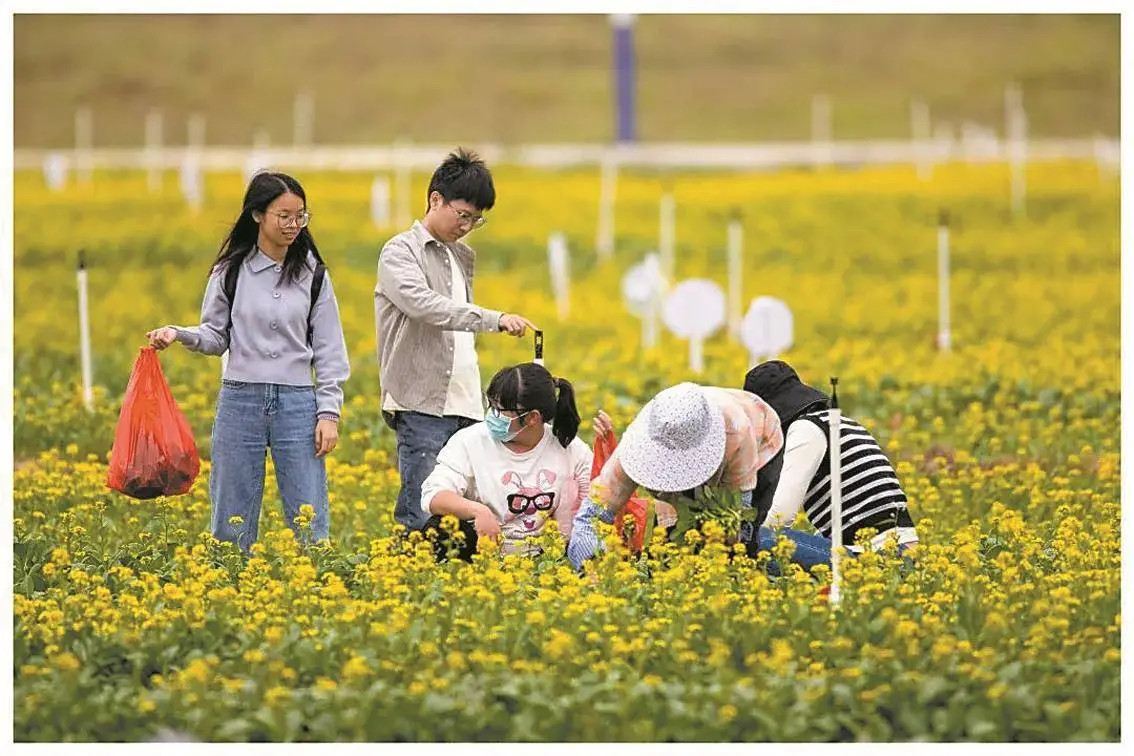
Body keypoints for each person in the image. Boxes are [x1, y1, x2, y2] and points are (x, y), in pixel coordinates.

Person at [146, 171, 350, 552]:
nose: (293, 225)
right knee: (231, 512)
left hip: (298, 403)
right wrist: (180, 333)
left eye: (300, 216)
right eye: (283, 216)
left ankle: (315, 582)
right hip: (241, 400)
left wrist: (329, 413)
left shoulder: (314, 274)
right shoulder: (231, 272)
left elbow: (329, 351)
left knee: (309, 513)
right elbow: (215, 335)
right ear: (257, 215)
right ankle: (228, 586)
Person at [375, 148, 538, 535]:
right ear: (436, 199)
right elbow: (426, 307)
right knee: (423, 511)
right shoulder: (400, 251)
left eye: (476, 220)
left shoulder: (459, 256)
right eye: (462, 215)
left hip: (466, 404)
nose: (466, 226)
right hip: (422, 404)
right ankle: (411, 582)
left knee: (468, 512)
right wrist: (493, 319)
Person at [567, 382, 785, 570]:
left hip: (761, 437)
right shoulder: (644, 437)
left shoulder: (737, 432)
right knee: (665, 555)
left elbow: (736, 518)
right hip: (697, 434)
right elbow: (590, 517)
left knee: (743, 550)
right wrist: (593, 566)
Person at [742, 360, 919, 559]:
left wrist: (741, 540)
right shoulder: (837, 422)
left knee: (759, 540)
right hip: (900, 551)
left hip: (878, 555)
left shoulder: (807, 429)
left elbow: (779, 517)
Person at [419, 362, 593, 558]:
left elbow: (597, 504)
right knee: (439, 528)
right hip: (483, 551)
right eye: (491, 405)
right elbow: (433, 495)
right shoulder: (470, 441)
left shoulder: (570, 448)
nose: (492, 415)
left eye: (499, 409)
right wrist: (478, 511)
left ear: (532, 418)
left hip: (546, 559)